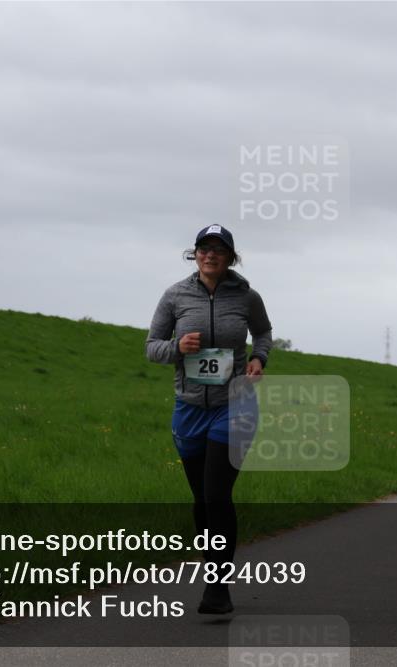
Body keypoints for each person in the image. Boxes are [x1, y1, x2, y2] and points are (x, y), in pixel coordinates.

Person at [145, 224, 272, 614]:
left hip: (234, 405)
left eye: (218, 249)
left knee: (217, 494)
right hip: (189, 408)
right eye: (203, 248)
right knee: (201, 500)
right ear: (194, 254)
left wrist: (258, 357)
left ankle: (217, 586)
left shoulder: (246, 296)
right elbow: (152, 348)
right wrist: (177, 347)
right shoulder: (175, 296)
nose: (210, 255)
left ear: (231, 257)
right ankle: (212, 570)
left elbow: (263, 332)